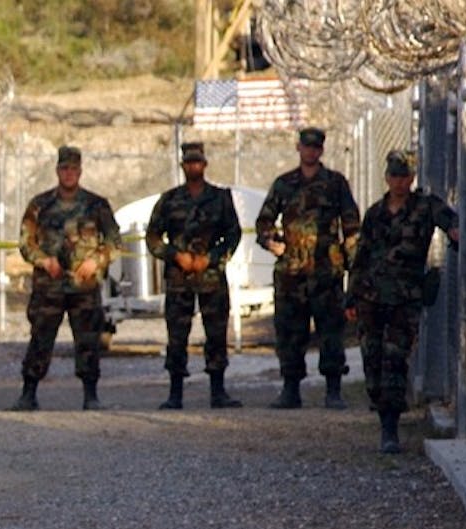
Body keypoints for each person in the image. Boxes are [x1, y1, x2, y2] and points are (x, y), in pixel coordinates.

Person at [345, 150, 459, 453]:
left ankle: (390, 428)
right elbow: (361, 256)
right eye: (395, 176)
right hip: (371, 297)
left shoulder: (424, 207)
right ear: (387, 177)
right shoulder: (375, 213)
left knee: (395, 360)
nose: (399, 181)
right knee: (372, 360)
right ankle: (381, 407)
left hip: (404, 299)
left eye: (405, 176)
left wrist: (455, 232)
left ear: (412, 177)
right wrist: (351, 297)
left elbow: (449, 220)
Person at [255, 126, 361, 410]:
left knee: (331, 332)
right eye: (307, 146)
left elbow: (351, 224)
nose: (311, 151)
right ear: (298, 148)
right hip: (292, 272)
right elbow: (263, 222)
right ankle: (291, 389)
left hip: (326, 271)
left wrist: (352, 263)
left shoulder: (335, 183)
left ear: (321, 150)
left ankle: (333, 390)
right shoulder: (284, 184)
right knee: (290, 332)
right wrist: (271, 242)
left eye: (316, 147)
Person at [14, 145, 120, 411]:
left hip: (84, 287)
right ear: (57, 170)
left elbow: (114, 241)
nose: (69, 173)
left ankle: (90, 395)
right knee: (40, 338)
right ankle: (28, 393)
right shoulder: (40, 205)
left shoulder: (96, 205)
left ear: (80, 171)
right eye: (64, 168)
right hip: (49, 286)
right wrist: (44, 260)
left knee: (88, 340)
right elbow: (26, 243)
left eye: (73, 168)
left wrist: (95, 261)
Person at [145, 141, 244, 410]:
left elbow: (233, 234)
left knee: (216, 333)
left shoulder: (221, 198)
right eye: (189, 162)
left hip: (211, 277)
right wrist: (175, 255)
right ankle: (175, 393)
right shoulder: (169, 199)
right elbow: (152, 237)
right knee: (177, 335)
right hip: (179, 279)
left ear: (205, 164)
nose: (193, 166)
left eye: (197, 162)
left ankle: (218, 391)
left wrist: (211, 258)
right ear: (183, 165)